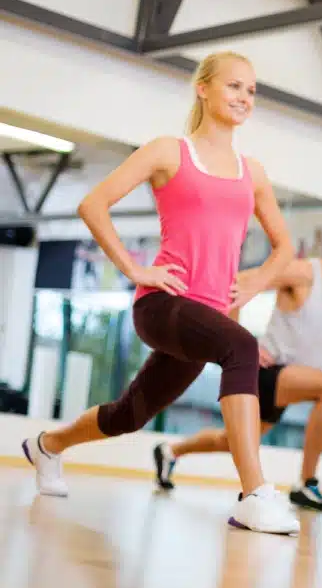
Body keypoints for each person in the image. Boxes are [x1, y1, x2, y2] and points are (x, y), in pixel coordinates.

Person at [20, 51, 300, 535]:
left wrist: (254, 281)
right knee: (242, 347)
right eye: (234, 86)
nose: (244, 98)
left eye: (251, 91)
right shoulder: (169, 151)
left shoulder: (251, 172)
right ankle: (255, 494)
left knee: (132, 414)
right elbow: (94, 204)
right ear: (204, 88)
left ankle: (47, 445)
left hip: (208, 316)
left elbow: (285, 247)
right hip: (163, 303)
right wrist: (134, 268)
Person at [153, 212, 322, 513]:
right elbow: (240, 282)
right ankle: (307, 484)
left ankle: (170, 451)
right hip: (267, 371)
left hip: (295, 379)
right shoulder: (304, 273)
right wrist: (240, 342)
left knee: (229, 441)